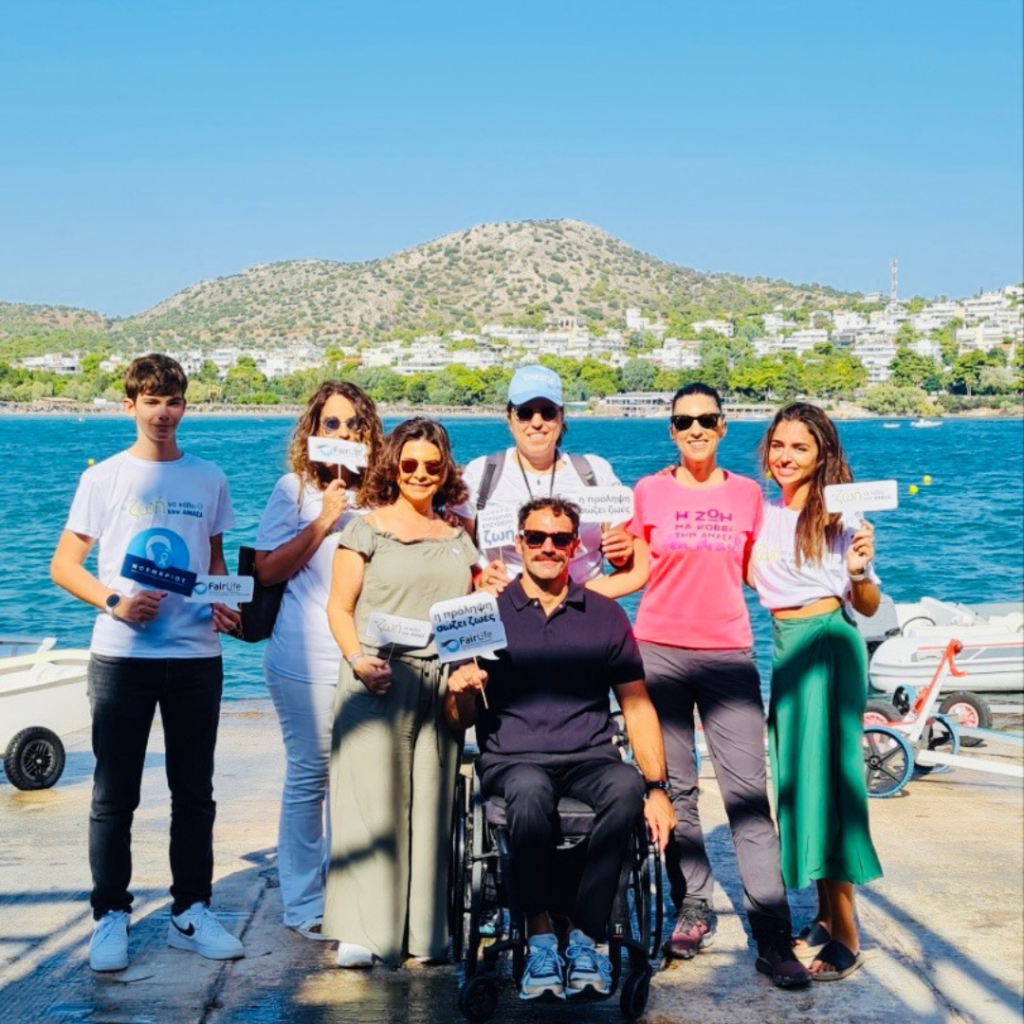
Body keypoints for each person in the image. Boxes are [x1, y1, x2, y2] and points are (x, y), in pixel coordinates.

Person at [50, 354, 245, 973]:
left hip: (196, 656)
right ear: (129, 406)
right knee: (114, 795)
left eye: (173, 401)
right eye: (151, 401)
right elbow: (64, 566)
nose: (163, 412)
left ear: (185, 406)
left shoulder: (208, 477)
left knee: (194, 793)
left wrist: (224, 605)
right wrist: (116, 603)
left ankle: (191, 910)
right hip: (121, 657)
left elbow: (214, 562)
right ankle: (110, 914)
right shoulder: (104, 478)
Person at [445, 497, 676, 1002]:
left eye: (559, 539)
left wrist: (658, 788)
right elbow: (458, 719)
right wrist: (459, 689)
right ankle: (541, 936)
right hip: (514, 758)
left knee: (625, 785)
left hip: (589, 757)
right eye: (536, 537)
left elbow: (636, 705)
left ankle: (587, 938)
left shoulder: (605, 615)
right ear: (518, 543)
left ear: (575, 546)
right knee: (528, 790)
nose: (547, 547)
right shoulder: (483, 613)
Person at [620, 383, 810, 988]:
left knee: (748, 795)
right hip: (658, 652)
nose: (696, 429)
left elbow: (765, 570)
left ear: (724, 427)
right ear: (672, 431)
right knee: (674, 790)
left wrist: (833, 585)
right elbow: (633, 567)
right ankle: (693, 906)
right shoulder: (648, 491)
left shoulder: (748, 494)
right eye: (684, 421)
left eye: (706, 419)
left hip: (729, 654)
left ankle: (772, 935)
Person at [323, 417, 479, 967]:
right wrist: (357, 660)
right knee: (371, 807)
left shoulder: (460, 537)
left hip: (439, 683)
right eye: (408, 463)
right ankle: (362, 931)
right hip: (377, 677)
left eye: (431, 465)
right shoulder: (364, 530)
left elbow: (470, 611)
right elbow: (339, 608)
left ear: (445, 470)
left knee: (432, 808)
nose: (419, 473)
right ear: (392, 466)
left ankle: (424, 933)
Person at [751, 402, 882, 982]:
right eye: (779, 445)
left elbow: (868, 605)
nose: (786, 456)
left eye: (800, 447)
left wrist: (857, 569)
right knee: (800, 784)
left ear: (822, 453)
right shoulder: (763, 513)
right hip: (786, 647)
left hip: (827, 644)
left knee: (829, 786)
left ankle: (848, 931)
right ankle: (826, 917)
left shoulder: (839, 513)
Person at [253, 381, 383, 939]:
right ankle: (304, 902)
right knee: (310, 775)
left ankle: (353, 894)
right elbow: (266, 571)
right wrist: (324, 519)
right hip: (302, 654)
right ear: (313, 431)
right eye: (332, 423)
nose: (344, 433)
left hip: (366, 657)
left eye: (354, 424)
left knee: (360, 780)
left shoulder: (382, 492)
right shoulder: (295, 490)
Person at [452, 364, 635, 592]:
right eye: (525, 413)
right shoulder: (481, 474)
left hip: (583, 605)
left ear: (561, 417)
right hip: (506, 604)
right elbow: (458, 550)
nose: (536, 423)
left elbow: (624, 551)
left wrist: (621, 552)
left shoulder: (596, 473)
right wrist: (479, 578)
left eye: (548, 412)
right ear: (509, 419)